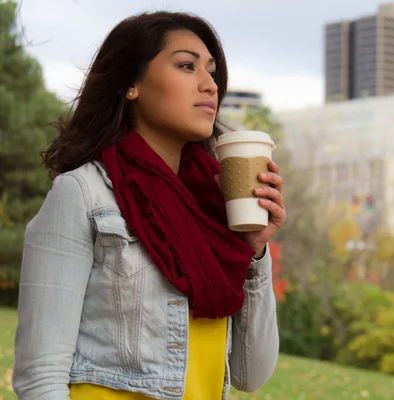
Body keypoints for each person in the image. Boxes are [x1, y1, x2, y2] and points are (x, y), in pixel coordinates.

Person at [12, 10, 284, 400]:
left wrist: (255, 248)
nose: (210, 85)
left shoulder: (216, 208)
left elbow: (250, 374)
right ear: (131, 84)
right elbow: (40, 378)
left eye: (212, 73)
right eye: (187, 66)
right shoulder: (82, 193)